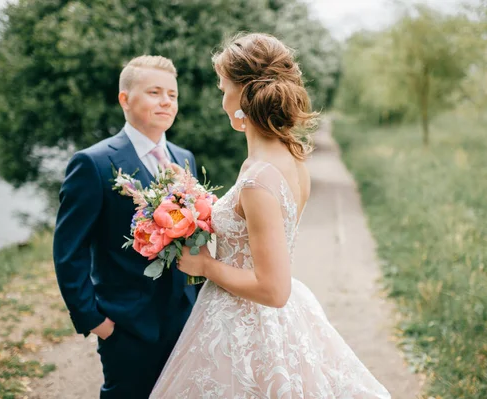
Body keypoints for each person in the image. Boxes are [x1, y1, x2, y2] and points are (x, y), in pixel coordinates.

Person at [149, 33, 391, 398]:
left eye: (223, 88)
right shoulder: (289, 159)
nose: (222, 99)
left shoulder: (258, 178)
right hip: (267, 319)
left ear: (244, 95)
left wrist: (206, 267)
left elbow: (274, 289)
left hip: (245, 327)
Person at [53, 55, 199, 398]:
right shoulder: (94, 163)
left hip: (186, 319)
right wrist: (96, 322)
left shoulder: (185, 158)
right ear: (125, 99)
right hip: (127, 326)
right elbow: (68, 252)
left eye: (172, 95)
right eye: (154, 92)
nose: (166, 101)